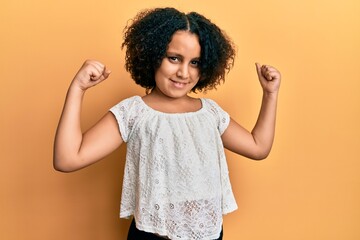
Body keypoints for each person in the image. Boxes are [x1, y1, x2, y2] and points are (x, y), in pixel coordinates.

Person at [53, 7, 281, 240]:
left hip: (208, 235)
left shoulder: (210, 113)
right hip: (153, 235)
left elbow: (258, 146)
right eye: (174, 58)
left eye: (195, 62)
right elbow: (67, 158)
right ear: (152, 55)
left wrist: (270, 94)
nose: (184, 72)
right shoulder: (134, 112)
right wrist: (77, 89)